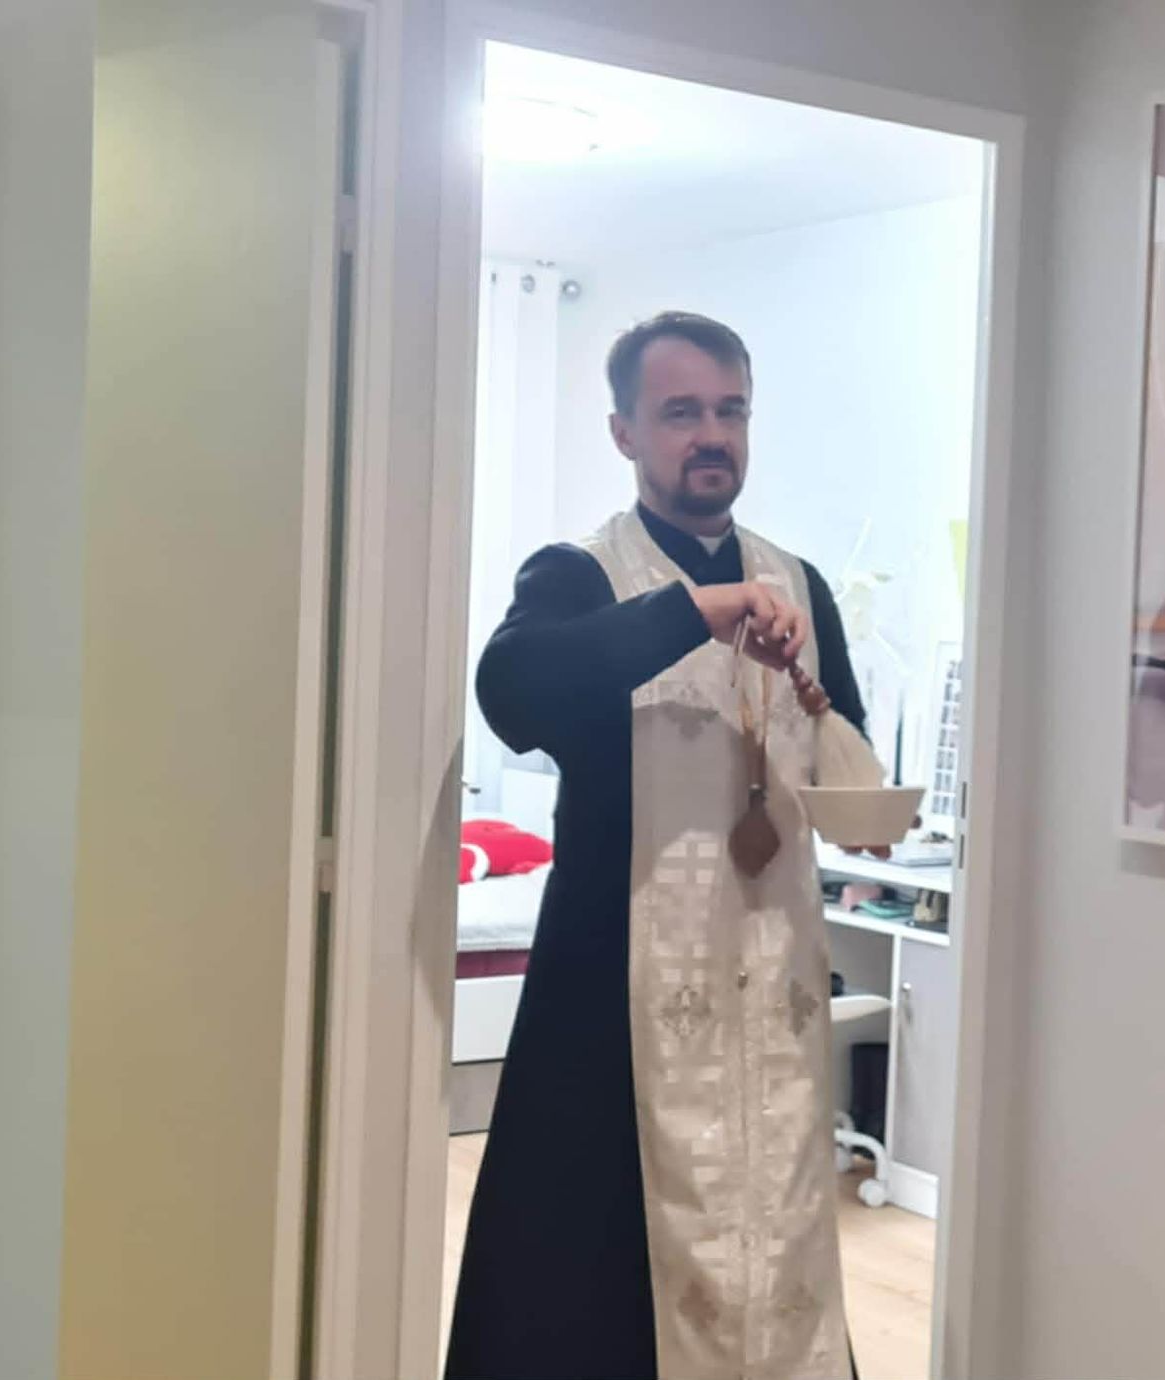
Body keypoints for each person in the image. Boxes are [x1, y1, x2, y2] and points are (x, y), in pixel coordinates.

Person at [446, 312, 871, 1380]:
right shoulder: (579, 573)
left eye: (730, 410)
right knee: (593, 1277)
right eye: (680, 412)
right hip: (616, 988)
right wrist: (695, 612)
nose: (711, 435)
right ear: (624, 432)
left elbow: (847, 762)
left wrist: (840, 756)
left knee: (776, 1232)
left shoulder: (801, 584)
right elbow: (513, 690)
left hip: (771, 973)